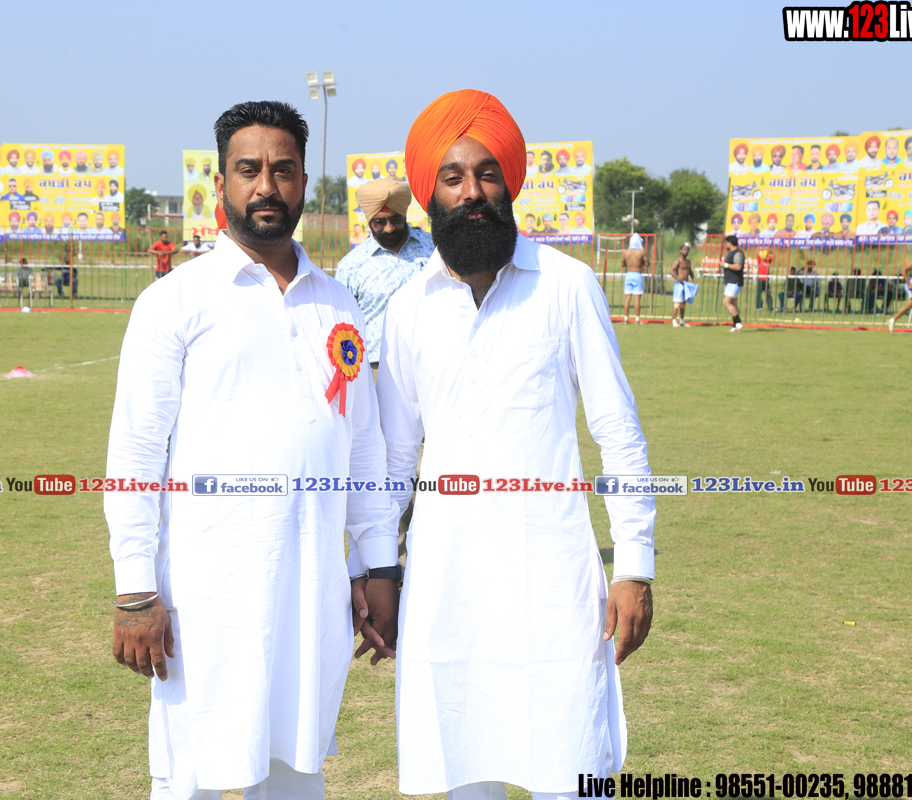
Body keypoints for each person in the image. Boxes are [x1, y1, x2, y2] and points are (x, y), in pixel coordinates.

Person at [362, 88, 656, 800]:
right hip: (446, 581)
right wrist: (377, 568)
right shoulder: (409, 308)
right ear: (430, 194)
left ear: (509, 183)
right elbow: (394, 456)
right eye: (453, 177)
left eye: (486, 174)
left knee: (571, 765)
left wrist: (635, 566)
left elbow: (617, 431)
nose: (472, 192)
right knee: (465, 767)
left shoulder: (566, 285)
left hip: (552, 577)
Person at [105, 99, 399, 800]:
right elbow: (136, 452)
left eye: (283, 170)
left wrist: (378, 564)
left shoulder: (337, 303)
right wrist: (136, 589)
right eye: (249, 169)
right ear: (222, 183)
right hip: (208, 594)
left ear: (304, 183)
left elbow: (362, 446)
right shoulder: (175, 300)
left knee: (296, 769)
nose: (267, 186)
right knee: (193, 775)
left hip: (312, 589)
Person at [334, 179, 435, 375]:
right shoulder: (351, 266)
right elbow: (341, 323)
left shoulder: (433, 249)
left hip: (430, 360)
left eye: (396, 220)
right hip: (376, 368)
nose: (389, 228)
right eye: (380, 222)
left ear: (404, 215)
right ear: (369, 220)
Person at [721, 234, 745, 331]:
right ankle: (736, 326)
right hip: (730, 282)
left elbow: (738, 266)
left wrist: (725, 265)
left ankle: (738, 322)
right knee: (733, 304)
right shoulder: (731, 253)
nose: (725, 244)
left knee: (726, 302)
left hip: (735, 282)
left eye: (726, 242)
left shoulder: (738, 253)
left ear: (730, 243)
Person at [668, 242, 695, 326]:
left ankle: (682, 321)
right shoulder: (678, 261)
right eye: (684, 249)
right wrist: (678, 277)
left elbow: (690, 271)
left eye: (687, 250)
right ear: (680, 251)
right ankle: (674, 321)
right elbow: (671, 271)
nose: (686, 251)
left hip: (686, 284)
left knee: (683, 304)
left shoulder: (688, 262)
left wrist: (694, 279)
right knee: (677, 303)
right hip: (679, 285)